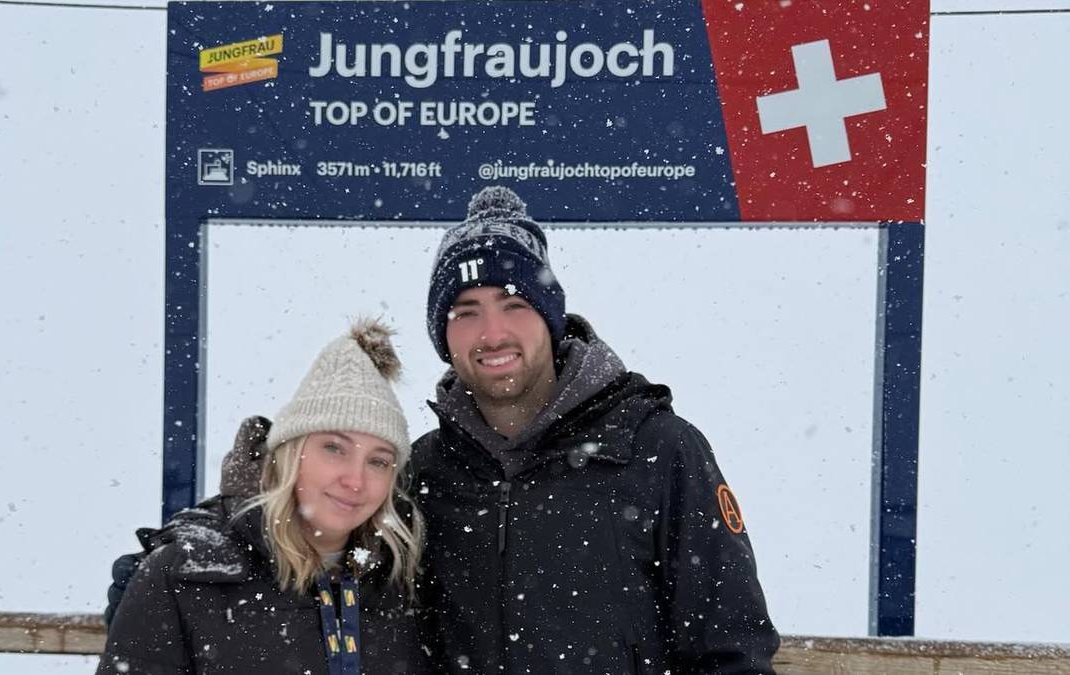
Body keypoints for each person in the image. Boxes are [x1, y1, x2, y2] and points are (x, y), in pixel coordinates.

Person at [108, 186, 779, 674]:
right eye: (466, 310)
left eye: (514, 304)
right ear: (443, 333)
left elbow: (733, 648)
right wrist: (189, 549)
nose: (492, 333)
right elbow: (314, 538)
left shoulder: (656, 449)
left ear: (550, 317)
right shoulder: (424, 471)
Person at [97, 319, 429, 674]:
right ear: (289, 454)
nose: (355, 480)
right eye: (334, 448)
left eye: (378, 461)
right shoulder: (185, 576)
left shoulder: (406, 582)